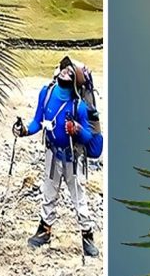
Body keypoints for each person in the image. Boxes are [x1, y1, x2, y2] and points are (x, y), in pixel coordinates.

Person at [13, 59, 99, 257]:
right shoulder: (46, 93)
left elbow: (87, 136)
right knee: (48, 193)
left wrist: (76, 129)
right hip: (52, 153)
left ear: (75, 82)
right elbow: (37, 121)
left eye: (70, 72)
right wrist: (24, 130)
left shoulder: (79, 106)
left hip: (72, 157)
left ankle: (87, 236)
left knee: (79, 198)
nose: (65, 72)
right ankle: (45, 230)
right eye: (64, 69)